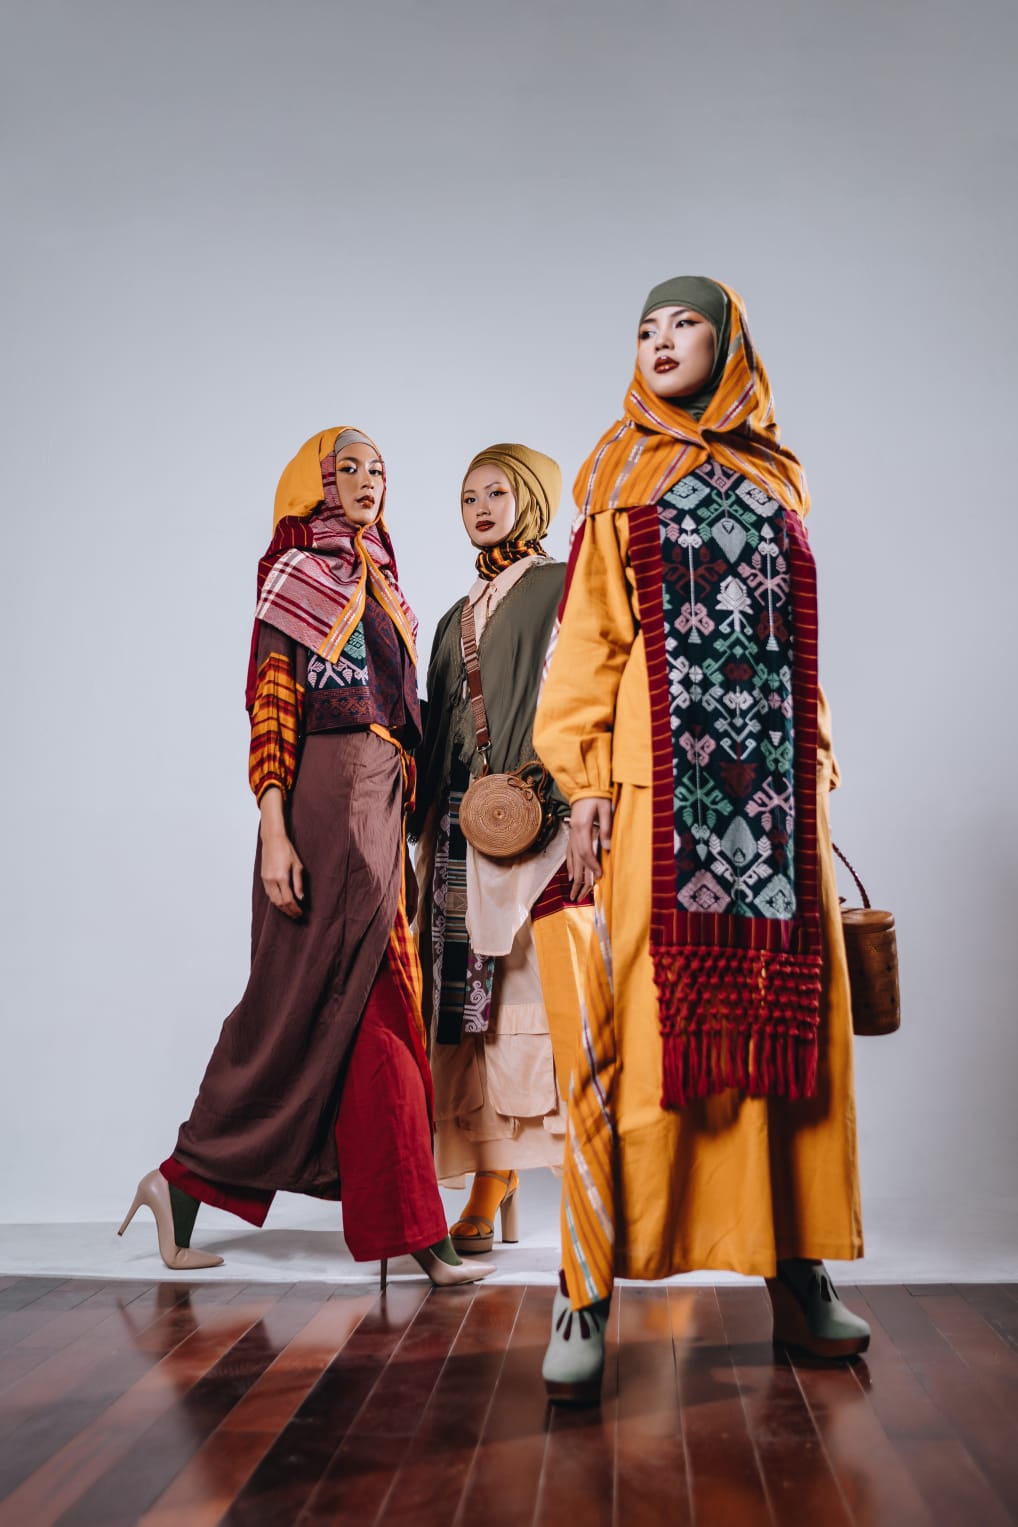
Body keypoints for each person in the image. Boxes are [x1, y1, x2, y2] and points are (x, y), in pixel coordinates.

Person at [534, 279, 869, 1402]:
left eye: (684, 324)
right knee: (634, 1037)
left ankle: (797, 1272)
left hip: (775, 799)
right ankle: (585, 1287)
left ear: (729, 345)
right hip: (658, 796)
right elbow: (591, 636)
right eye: (645, 328)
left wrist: (816, 762)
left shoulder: (779, 478)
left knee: (794, 1041)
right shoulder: (616, 472)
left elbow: (798, 634)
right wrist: (582, 780)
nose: (660, 341)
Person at [119, 427, 493, 1289]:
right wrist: (275, 830)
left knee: (342, 1011)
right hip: (324, 805)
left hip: (381, 803)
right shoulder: (294, 578)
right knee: (323, 1005)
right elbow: (272, 709)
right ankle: (416, 1231)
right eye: (347, 468)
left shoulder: (385, 584)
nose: (367, 481)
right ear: (315, 484)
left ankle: (186, 1183)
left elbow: (404, 713)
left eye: (378, 469)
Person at [412, 444, 592, 1256]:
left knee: (538, 1001)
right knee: (467, 1010)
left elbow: (584, 696)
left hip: (539, 827)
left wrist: (564, 803)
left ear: (532, 500)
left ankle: (579, 1182)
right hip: (459, 829)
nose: (481, 508)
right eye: (468, 496)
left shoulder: (562, 586)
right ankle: (492, 1176)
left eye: (498, 491)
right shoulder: (455, 615)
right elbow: (442, 726)